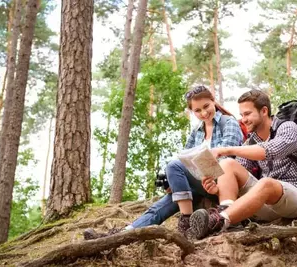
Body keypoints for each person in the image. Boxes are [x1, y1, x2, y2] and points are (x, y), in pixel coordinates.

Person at [84, 85, 243, 240]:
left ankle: (186, 222)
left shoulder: (228, 122)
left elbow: (227, 159)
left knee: (173, 165)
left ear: (213, 100)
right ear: (192, 111)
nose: (203, 113)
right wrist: (172, 182)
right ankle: (123, 233)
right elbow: (186, 158)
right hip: (200, 183)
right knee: (162, 203)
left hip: (222, 186)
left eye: (206, 106)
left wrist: (182, 172)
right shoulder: (197, 131)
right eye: (197, 110)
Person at [188, 89, 297, 239]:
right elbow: (236, 174)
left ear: (264, 111)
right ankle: (228, 220)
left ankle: (218, 221)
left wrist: (225, 149)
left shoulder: (287, 128)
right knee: (228, 164)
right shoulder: (251, 141)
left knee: (267, 183)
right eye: (242, 115)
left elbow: (271, 151)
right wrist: (217, 190)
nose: (243, 120)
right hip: (267, 204)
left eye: (247, 114)